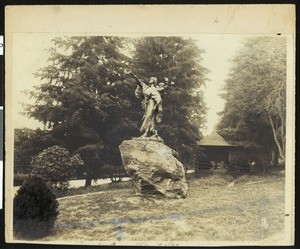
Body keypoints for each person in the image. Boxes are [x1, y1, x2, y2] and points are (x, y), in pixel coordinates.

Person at [131, 73, 166, 138]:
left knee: (149, 117)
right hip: (147, 105)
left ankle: (146, 133)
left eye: (151, 79)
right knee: (149, 118)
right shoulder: (146, 88)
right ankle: (152, 132)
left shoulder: (154, 89)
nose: (150, 80)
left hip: (152, 104)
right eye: (150, 79)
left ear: (154, 81)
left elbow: (159, 99)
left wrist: (155, 106)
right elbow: (140, 83)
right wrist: (134, 76)